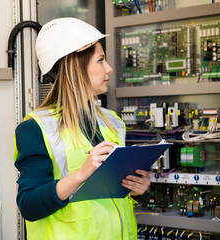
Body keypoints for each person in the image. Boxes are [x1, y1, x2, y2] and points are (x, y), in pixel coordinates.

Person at [14, 17, 151, 240]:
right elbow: (29, 206)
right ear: (75, 67)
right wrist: (81, 174)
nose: (109, 69)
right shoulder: (35, 129)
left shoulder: (112, 122)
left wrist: (135, 187)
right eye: (100, 60)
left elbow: (109, 196)